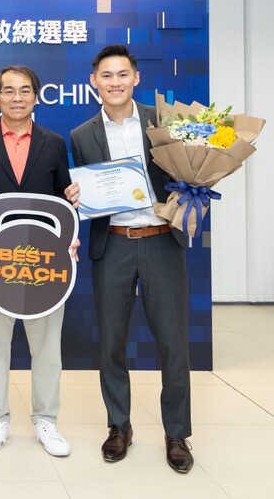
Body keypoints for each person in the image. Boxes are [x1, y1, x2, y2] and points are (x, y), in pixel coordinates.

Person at [66, 44, 194, 473]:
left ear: (136, 78)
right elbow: (90, 191)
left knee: (173, 344)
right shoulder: (82, 135)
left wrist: (194, 186)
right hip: (114, 245)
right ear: (94, 82)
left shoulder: (165, 123)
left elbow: (190, 172)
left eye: (123, 74)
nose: (115, 82)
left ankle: (177, 433)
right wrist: (78, 196)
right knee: (112, 344)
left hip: (161, 242)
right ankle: (119, 426)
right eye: (106, 75)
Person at [0, 66, 74, 457]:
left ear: (35, 96)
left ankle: (47, 420)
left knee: (47, 347)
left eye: (25, 90)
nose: (17, 98)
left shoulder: (53, 143)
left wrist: (69, 232)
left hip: (45, 264)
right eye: (8, 91)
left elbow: (63, 198)